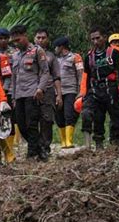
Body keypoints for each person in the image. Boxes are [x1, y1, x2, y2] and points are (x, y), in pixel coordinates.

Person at [9, 24, 50, 161]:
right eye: (14, 41)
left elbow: (45, 71)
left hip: (32, 93)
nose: (16, 43)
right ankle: (41, 147)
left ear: (25, 36)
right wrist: (13, 96)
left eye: (18, 40)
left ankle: (32, 154)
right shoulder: (15, 56)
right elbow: (14, 77)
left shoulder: (37, 51)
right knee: (21, 125)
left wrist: (40, 88)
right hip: (19, 94)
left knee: (31, 124)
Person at [82, 26, 119, 149]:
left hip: (111, 88)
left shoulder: (114, 53)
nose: (95, 41)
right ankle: (98, 142)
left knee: (116, 115)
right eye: (93, 39)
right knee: (97, 116)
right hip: (95, 89)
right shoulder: (89, 56)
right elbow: (87, 76)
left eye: (98, 38)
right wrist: (85, 94)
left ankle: (118, 141)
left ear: (104, 38)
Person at [34, 28, 62, 157]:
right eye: (38, 37)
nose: (40, 40)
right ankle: (34, 147)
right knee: (31, 120)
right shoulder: (28, 54)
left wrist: (59, 95)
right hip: (31, 90)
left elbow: (56, 77)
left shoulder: (51, 56)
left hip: (48, 91)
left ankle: (45, 147)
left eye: (43, 37)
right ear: (34, 38)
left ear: (48, 39)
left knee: (47, 119)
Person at [53, 36, 84, 148]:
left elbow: (80, 74)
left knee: (69, 114)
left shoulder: (75, 57)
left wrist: (81, 90)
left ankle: (69, 140)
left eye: (56, 47)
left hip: (71, 90)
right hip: (57, 92)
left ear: (61, 47)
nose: (55, 49)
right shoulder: (55, 60)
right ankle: (63, 140)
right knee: (58, 116)